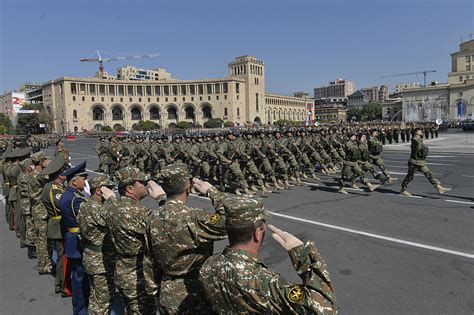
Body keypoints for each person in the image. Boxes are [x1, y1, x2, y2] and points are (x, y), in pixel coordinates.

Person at [199, 196, 337, 314]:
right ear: (258, 232)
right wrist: (302, 253)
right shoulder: (265, 283)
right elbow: (325, 309)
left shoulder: (208, 265)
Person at [146, 163, 227, 314]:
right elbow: (228, 219)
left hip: (168, 292)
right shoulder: (195, 217)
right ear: (187, 187)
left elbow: (149, 260)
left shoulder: (153, 217)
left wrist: (154, 292)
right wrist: (212, 191)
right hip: (194, 294)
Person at [105, 166, 166, 314]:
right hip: (138, 275)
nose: (147, 185)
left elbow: (115, 203)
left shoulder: (114, 207)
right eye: (143, 183)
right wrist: (162, 199)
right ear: (130, 189)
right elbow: (167, 227)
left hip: (124, 271)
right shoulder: (138, 212)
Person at [78, 175, 117, 315]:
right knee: (103, 300)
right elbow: (119, 217)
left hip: (90, 255)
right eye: (109, 189)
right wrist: (113, 200)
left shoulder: (85, 205)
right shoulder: (97, 209)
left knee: (96, 297)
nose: (112, 191)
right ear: (99, 191)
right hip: (100, 260)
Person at [59, 161, 90, 315]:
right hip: (77, 240)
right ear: (74, 181)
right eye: (83, 178)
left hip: (71, 237)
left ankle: (80, 307)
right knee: (80, 278)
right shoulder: (75, 199)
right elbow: (87, 219)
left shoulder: (70, 194)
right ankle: (81, 309)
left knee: (79, 276)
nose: (85, 182)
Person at [41, 155, 69, 296]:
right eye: (64, 171)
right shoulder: (54, 188)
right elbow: (63, 204)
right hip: (58, 225)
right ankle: (64, 286)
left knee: (61, 256)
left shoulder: (52, 186)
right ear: (59, 174)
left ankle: (60, 283)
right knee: (62, 257)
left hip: (56, 224)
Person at [400, 128, 452, 196]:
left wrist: (420, 138)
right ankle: (403, 190)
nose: (421, 132)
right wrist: (417, 136)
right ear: (416, 133)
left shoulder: (419, 140)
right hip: (414, 163)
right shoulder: (414, 140)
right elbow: (417, 148)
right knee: (409, 177)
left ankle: (439, 187)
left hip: (420, 162)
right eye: (420, 131)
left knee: (428, 174)